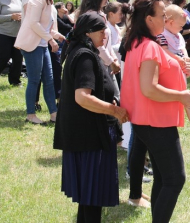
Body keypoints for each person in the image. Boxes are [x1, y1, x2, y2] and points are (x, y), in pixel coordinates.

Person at [120, 0, 190, 218]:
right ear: (149, 19)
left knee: (164, 178)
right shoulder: (149, 46)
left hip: (147, 120)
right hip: (156, 121)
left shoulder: (137, 42)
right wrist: (181, 96)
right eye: (162, 15)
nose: (165, 19)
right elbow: (149, 89)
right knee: (175, 179)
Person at [53, 12, 128, 223]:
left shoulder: (83, 51)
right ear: (87, 33)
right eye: (100, 29)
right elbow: (83, 98)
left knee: (88, 196)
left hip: (86, 133)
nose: (105, 33)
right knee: (92, 194)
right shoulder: (85, 55)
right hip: (88, 135)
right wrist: (113, 111)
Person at [15, 0, 67, 125]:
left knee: (49, 81)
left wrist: (58, 36)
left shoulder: (49, 1)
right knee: (34, 80)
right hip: (33, 45)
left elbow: (47, 27)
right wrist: (50, 39)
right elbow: (33, 23)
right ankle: (30, 114)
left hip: (42, 45)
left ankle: (54, 114)